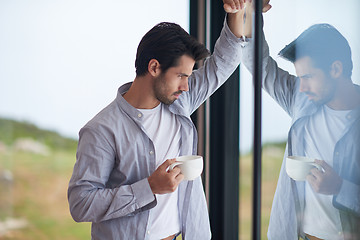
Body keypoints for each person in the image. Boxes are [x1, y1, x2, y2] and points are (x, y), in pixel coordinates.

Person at [68, 1, 251, 239]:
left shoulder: (179, 102)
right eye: (181, 76)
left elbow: (223, 63)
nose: (187, 86)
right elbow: (81, 203)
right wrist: (149, 187)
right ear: (154, 67)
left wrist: (237, 11)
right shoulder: (102, 130)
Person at [237, 1, 360, 239]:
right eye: (298, 77)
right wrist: (251, 14)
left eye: (309, 76)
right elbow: (259, 65)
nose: (301, 86)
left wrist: (340, 188)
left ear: (336, 69)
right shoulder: (301, 98)